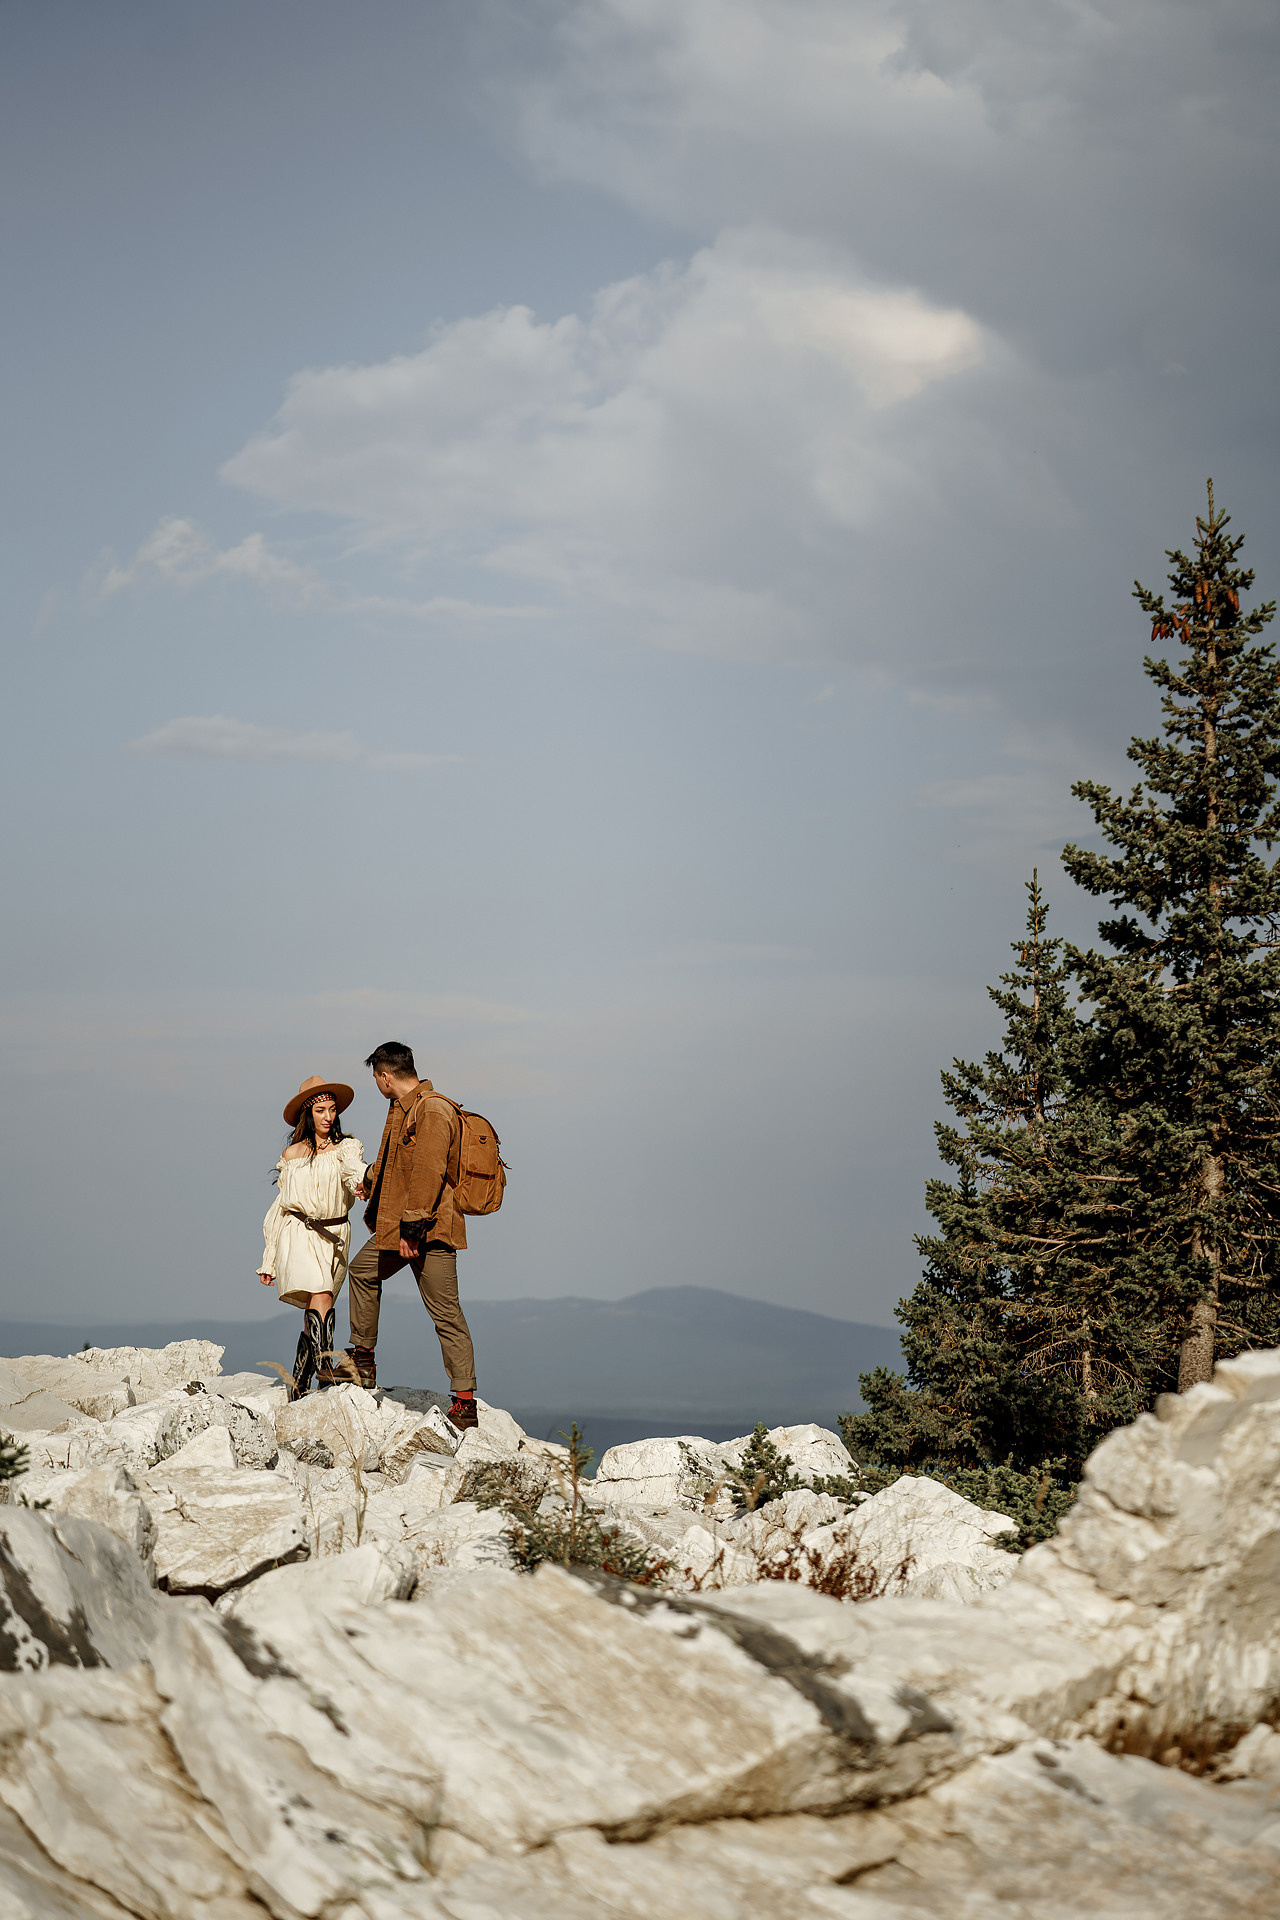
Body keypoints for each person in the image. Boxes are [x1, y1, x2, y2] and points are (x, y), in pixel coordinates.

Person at [345, 1041, 479, 1429]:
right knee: (362, 1271)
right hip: (396, 1228)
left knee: (446, 1313)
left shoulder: (433, 1109)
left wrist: (413, 1228)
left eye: (376, 1078)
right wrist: (370, 1179)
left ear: (385, 1075)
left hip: (430, 1231)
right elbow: (396, 1161)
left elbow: (429, 1172)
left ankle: (465, 1404)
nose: (377, 1084)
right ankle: (362, 1362)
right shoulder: (400, 1109)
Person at [258, 1076, 366, 1399]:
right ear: (309, 1113)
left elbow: (354, 1170)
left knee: (316, 1310)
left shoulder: (347, 1147)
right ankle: (328, 1374)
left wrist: (362, 1183)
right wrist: (269, 1257)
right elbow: (280, 1207)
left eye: (332, 1109)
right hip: (300, 1232)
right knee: (322, 1297)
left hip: (337, 1234)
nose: (328, 1116)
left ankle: (297, 1386)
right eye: (321, 1110)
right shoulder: (292, 1155)